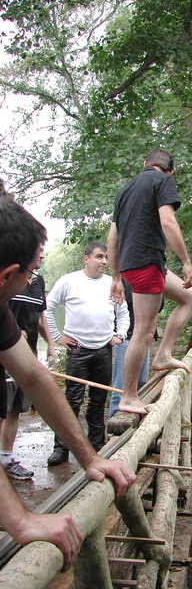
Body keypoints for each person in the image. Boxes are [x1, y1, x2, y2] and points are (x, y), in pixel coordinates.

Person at [0, 197, 135, 570]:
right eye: (31, 272)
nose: (32, 282)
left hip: (100, 350)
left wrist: (90, 458)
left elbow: (34, 375)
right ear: (6, 275)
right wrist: (20, 519)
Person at [108, 148, 192, 415]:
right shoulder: (163, 181)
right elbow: (168, 222)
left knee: (189, 297)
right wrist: (186, 261)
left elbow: (112, 238)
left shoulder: (125, 190)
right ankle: (128, 396)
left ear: (144, 163)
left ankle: (164, 354)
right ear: (171, 171)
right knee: (144, 332)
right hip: (145, 263)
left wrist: (116, 277)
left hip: (138, 265)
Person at [45, 242, 130, 466]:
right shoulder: (69, 281)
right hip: (77, 350)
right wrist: (57, 336)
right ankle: (61, 448)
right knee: (71, 402)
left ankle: (97, 447)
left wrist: (120, 335)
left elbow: (123, 313)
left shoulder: (113, 283)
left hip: (103, 350)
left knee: (98, 400)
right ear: (86, 258)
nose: (104, 261)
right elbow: (47, 308)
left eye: (106, 257)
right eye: (99, 257)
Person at [0, 247, 57, 480]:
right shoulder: (10, 277)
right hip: (7, 354)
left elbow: (40, 317)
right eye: (38, 251)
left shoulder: (39, 282)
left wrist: (50, 344)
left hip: (29, 356)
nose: (42, 256)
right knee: (2, 408)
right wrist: (12, 331)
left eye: (43, 251)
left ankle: (6, 458)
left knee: (15, 409)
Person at [108, 279, 151, 418]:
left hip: (143, 340)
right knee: (121, 386)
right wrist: (114, 334)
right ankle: (114, 420)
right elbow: (110, 309)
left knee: (141, 382)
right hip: (126, 339)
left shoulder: (150, 281)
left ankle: (134, 418)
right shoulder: (120, 282)